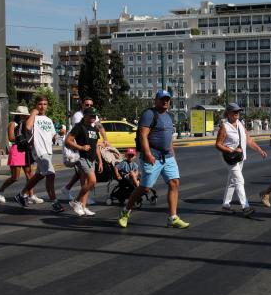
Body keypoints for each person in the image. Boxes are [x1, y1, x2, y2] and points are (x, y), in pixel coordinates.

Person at [117, 90, 189, 229]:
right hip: (152, 156)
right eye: (162, 99)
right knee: (145, 188)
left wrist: (172, 155)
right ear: (155, 100)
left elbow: (168, 139)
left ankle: (173, 218)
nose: (165, 102)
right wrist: (148, 153)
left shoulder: (168, 116)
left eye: (167, 99)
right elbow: (143, 136)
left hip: (167, 156)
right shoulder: (149, 114)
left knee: (174, 183)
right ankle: (125, 212)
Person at [215, 103, 268, 217]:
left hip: (240, 157)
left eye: (238, 111)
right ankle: (245, 207)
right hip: (230, 158)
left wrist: (259, 150)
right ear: (228, 113)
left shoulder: (240, 124)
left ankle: (226, 205)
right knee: (239, 180)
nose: (237, 114)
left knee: (232, 181)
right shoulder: (225, 127)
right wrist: (231, 150)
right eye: (234, 112)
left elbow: (248, 139)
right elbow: (218, 144)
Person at [15, 96, 64, 213]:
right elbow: (28, 127)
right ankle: (54, 202)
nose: (42, 106)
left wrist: (59, 133)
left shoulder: (48, 120)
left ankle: (21, 194)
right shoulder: (33, 117)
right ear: (36, 105)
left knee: (39, 175)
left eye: (45, 104)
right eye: (40, 104)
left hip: (48, 151)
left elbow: (52, 137)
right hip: (39, 151)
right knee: (51, 174)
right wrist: (33, 113)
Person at [61, 97, 108, 202]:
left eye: (91, 105)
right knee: (84, 174)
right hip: (79, 148)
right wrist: (82, 147)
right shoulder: (78, 116)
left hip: (88, 148)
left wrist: (105, 139)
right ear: (82, 105)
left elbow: (99, 126)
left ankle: (68, 189)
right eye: (87, 105)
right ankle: (82, 200)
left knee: (83, 173)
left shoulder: (92, 115)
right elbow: (80, 132)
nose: (89, 106)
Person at [64, 107, 103, 216]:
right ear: (85, 116)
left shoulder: (95, 129)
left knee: (87, 184)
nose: (93, 118)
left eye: (94, 116)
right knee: (92, 181)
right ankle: (76, 201)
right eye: (91, 115)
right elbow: (68, 141)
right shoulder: (79, 127)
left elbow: (96, 146)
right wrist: (81, 147)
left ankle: (83, 206)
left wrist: (100, 161)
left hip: (92, 158)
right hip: (82, 157)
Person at [0, 106, 37, 202]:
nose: (24, 117)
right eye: (22, 115)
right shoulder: (13, 124)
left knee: (29, 174)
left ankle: (31, 195)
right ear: (18, 115)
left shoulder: (27, 124)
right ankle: (0, 191)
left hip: (26, 150)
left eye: (25, 115)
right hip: (17, 150)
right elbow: (11, 138)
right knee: (15, 177)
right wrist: (23, 138)